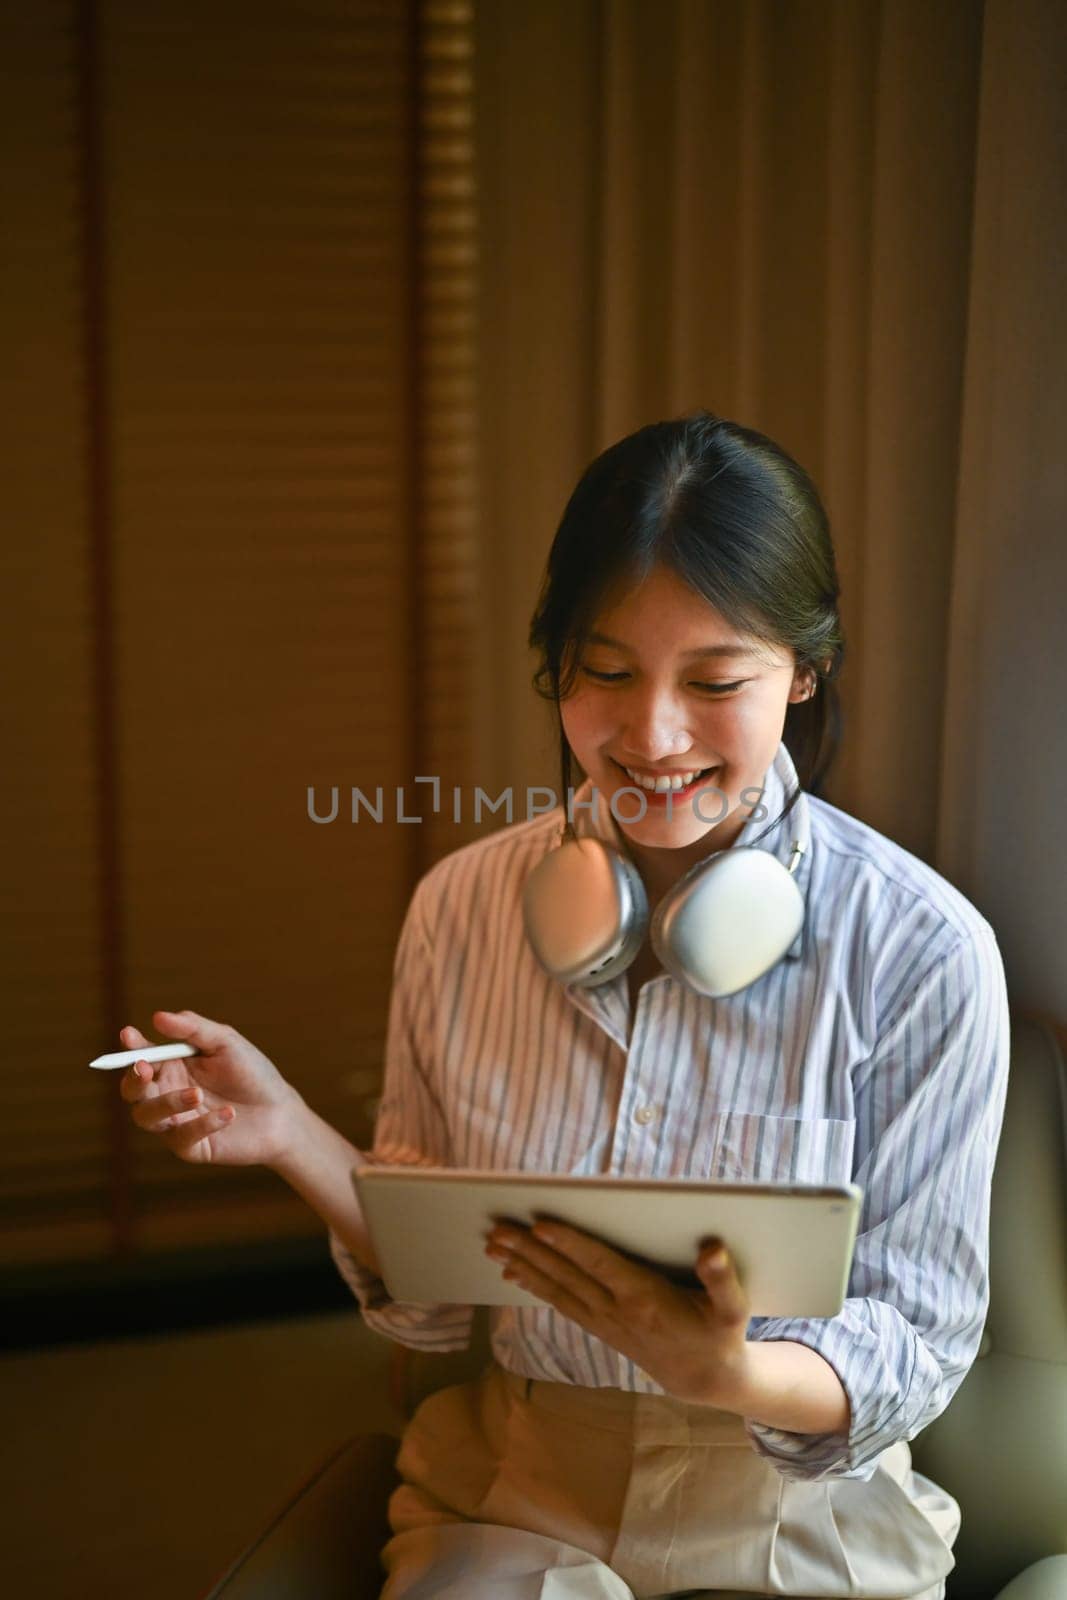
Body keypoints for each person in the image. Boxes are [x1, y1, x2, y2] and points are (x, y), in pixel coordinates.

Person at [118, 411, 1010, 1600]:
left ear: (801, 671)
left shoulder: (922, 949)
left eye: (713, 680)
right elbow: (438, 1287)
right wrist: (289, 1133)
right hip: (519, 1487)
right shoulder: (460, 908)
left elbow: (923, 1339)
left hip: (796, 1520)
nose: (649, 735)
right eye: (605, 672)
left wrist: (731, 1371)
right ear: (555, 667)